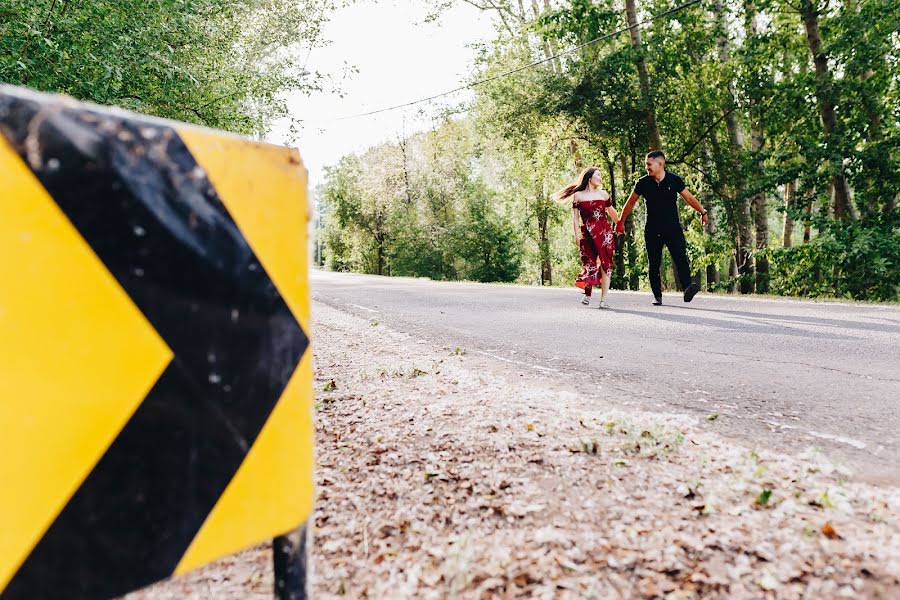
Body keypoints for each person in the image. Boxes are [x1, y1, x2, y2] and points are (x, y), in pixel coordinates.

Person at [616, 151, 707, 305]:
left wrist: (703, 212)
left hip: (673, 228)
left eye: (649, 164)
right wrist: (620, 221)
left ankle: (687, 288)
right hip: (652, 229)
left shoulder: (674, 180)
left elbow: (689, 198)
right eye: (646, 164)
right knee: (654, 262)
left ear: (660, 164)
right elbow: (630, 202)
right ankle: (657, 295)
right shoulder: (642, 183)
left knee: (680, 257)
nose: (647, 167)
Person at [556, 166, 620, 309]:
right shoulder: (578, 196)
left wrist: (620, 225)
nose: (600, 178)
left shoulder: (604, 194)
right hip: (587, 234)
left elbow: (611, 212)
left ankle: (603, 300)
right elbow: (575, 218)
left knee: (606, 264)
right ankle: (588, 294)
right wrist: (576, 235)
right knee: (589, 263)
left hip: (604, 234)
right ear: (589, 177)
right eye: (598, 175)